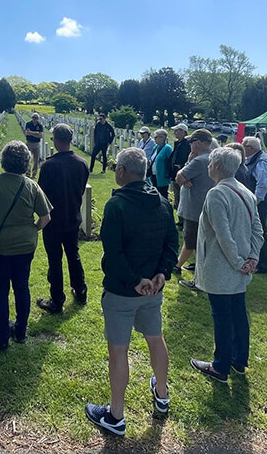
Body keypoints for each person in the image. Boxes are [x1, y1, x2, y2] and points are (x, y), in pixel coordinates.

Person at [85, 147, 178, 436]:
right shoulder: (163, 203)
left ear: (123, 171)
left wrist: (136, 280)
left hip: (123, 291)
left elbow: (113, 253)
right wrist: (161, 273)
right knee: (155, 338)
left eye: (116, 168)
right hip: (152, 290)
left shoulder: (117, 205)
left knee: (118, 351)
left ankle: (116, 416)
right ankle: (161, 394)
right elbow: (171, 245)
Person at [189, 147, 264, 382]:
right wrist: (252, 258)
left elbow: (223, 234)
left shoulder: (217, 194)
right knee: (238, 313)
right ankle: (239, 360)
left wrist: (240, 262)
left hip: (223, 267)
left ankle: (220, 366)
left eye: (211, 163)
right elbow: (258, 231)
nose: (209, 166)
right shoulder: (246, 192)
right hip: (240, 265)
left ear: (218, 166)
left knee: (222, 316)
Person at [0, 141, 53, 350]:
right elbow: (45, 217)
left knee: (0, 291)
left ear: (3, 161)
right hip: (25, 246)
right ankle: (21, 332)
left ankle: (2, 338)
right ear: (26, 163)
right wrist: (33, 229)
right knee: (21, 287)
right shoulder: (31, 186)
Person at [36, 124, 90, 314]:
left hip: (53, 220)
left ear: (57, 141)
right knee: (73, 255)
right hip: (73, 217)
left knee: (55, 260)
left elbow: (40, 195)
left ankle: (57, 300)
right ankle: (80, 290)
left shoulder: (49, 165)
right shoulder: (82, 163)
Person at [173, 129, 216, 288]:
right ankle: (196, 274)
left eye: (192, 142)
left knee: (193, 242)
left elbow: (179, 177)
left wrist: (188, 164)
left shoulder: (199, 161)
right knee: (198, 243)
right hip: (204, 206)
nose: (190, 145)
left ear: (199, 143)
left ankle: (199, 280)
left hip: (194, 209)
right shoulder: (212, 157)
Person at [243, 136, 267, 273]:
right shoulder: (254, 158)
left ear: (251, 148)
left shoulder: (262, 161)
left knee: (258, 231)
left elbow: (263, 184)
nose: (242, 148)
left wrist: (255, 202)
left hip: (259, 202)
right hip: (255, 201)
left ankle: (261, 265)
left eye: (244, 146)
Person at [168, 123, 191, 224]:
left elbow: (188, 158)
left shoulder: (187, 144)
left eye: (177, 130)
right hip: (174, 174)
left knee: (182, 197)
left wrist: (181, 165)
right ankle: (180, 218)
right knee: (177, 197)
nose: (175, 132)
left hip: (182, 174)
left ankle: (183, 219)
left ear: (183, 132)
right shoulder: (178, 143)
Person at [149, 129, 173, 196]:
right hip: (153, 175)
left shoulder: (167, 148)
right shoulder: (156, 147)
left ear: (162, 138)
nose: (154, 139)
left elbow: (170, 162)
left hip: (162, 177)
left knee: (162, 195)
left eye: (156, 137)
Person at [23, 112, 45, 179]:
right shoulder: (28, 124)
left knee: (36, 160)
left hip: (36, 144)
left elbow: (41, 135)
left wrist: (31, 132)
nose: (34, 119)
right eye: (33, 117)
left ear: (38, 119)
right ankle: (28, 173)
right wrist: (36, 133)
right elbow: (27, 133)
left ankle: (34, 174)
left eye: (36, 118)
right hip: (29, 143)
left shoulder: (40, 126)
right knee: (28, 159)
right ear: (32, 118)